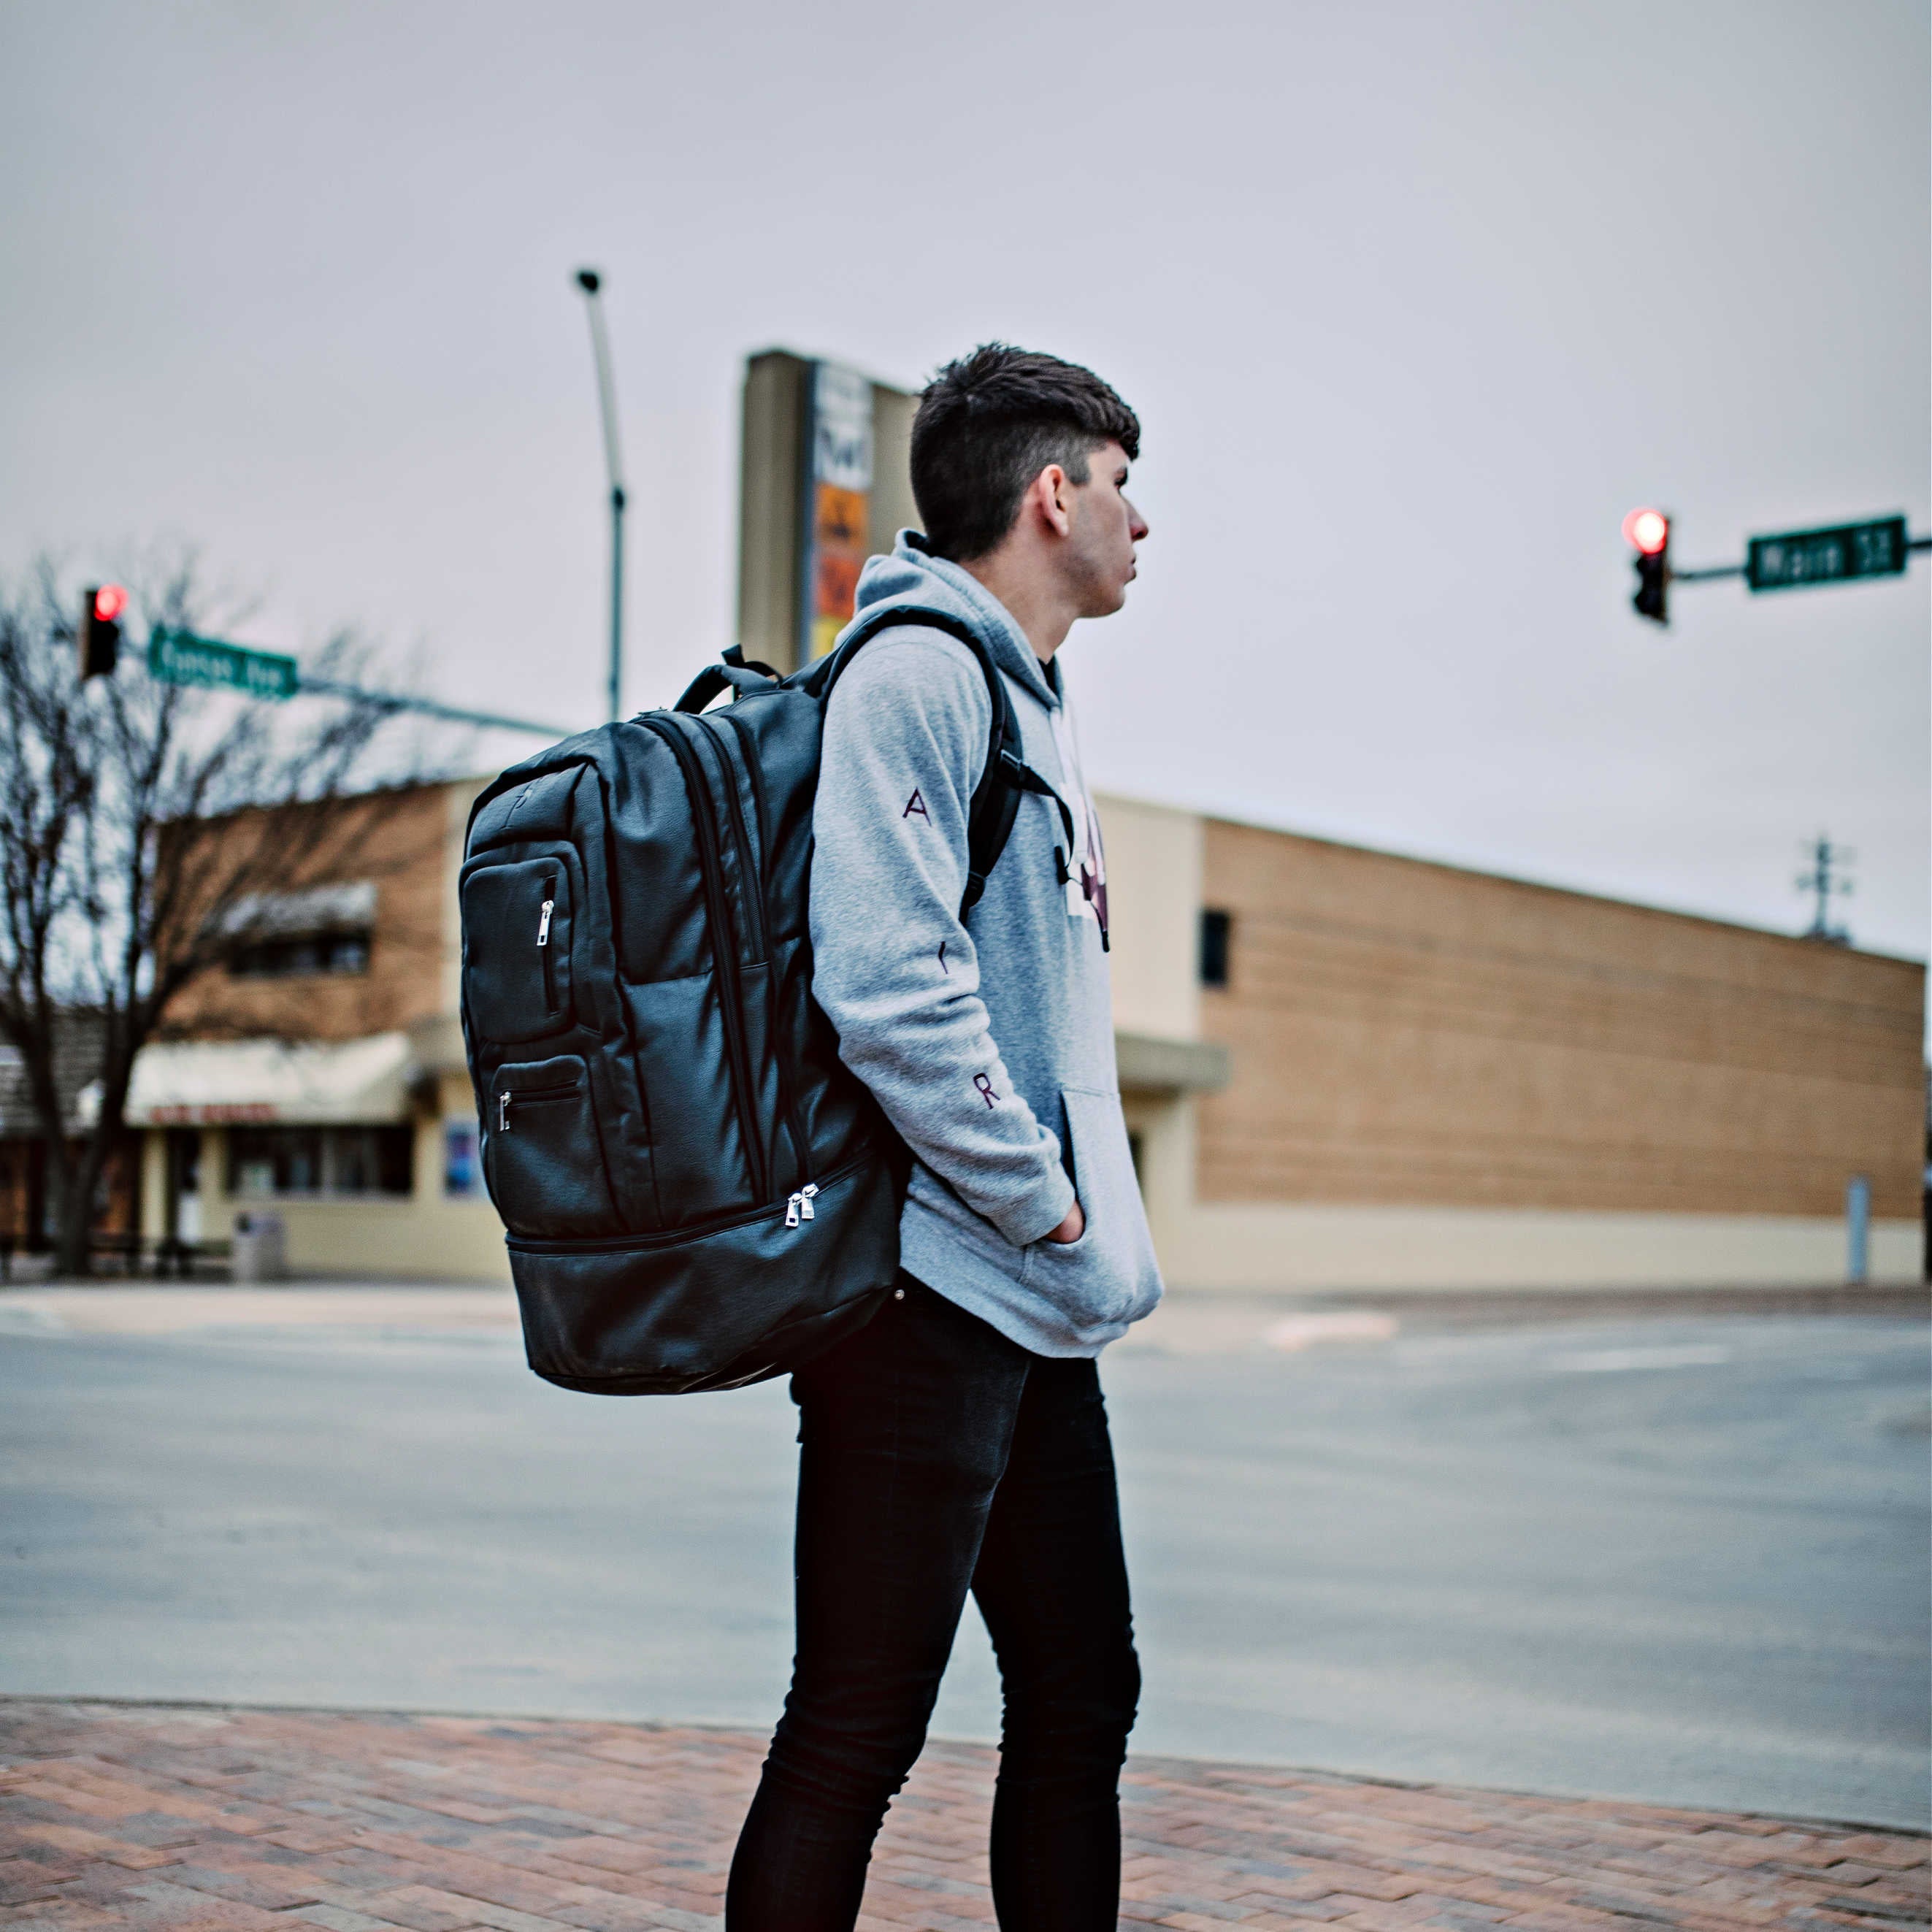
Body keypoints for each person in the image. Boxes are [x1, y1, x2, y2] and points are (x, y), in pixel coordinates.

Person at [727, 345, 1164, 1928]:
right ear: (1052, 494)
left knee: (1083, 1689)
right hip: (922, 1296)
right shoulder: (919, 676)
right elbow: (890, 989)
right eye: (1122, 486)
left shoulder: (1029, 699)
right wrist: (1045, 1202)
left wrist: (1062, 1239)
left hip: (1027, 1304)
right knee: (855, 1728)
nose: (1140, 523)